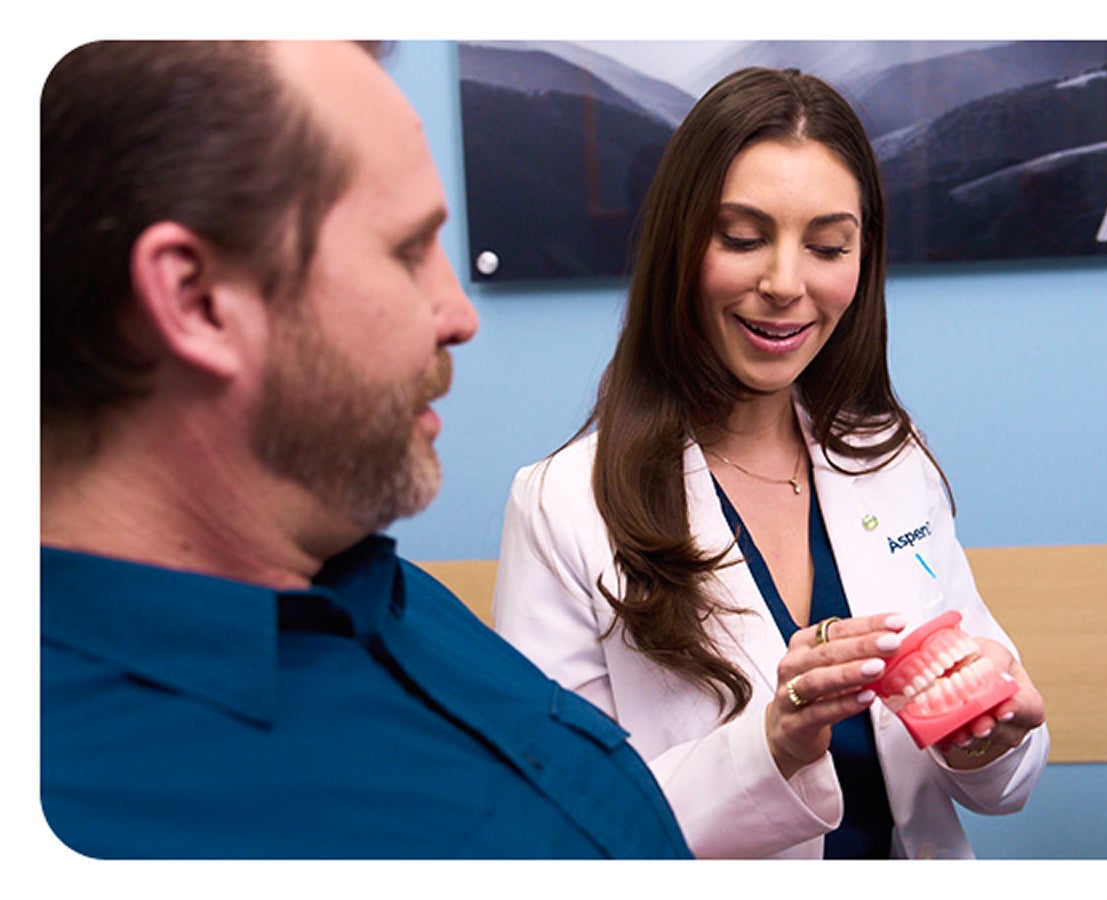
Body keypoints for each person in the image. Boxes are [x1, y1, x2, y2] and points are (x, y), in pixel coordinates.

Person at [39, 40, 690, 860]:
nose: (458, 313)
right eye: (407, 250)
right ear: (198, 302)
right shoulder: (87, 823)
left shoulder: (392, 597)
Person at [492, 66, 1049, 859]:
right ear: (680, 246)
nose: (786, 284)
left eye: (827, 246)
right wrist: (774, 747)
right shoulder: (562, 507)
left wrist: (983, 739)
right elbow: (562, 823)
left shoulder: (889, 460)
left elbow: (1000, 778)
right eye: (743, 238)